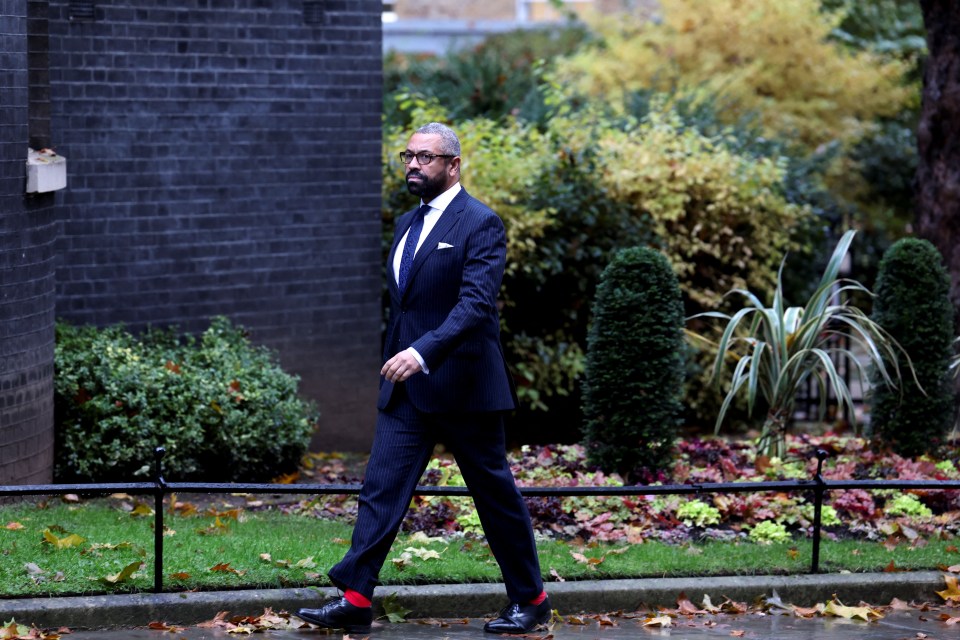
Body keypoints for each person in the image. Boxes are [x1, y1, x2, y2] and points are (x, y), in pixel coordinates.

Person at [296, 122, 551, 635]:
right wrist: (398, 358)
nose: (413, 165)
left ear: (453, 166)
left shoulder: (481, 224)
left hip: (465, 388)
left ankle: (531, 598)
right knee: (380, 489)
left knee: (493, 496)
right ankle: (355, 599)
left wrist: (421, 352)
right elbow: (405, 306)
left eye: (426, 157)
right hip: (407, 390)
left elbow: (476, 305)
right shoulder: (406, 226)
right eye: (408, 155)